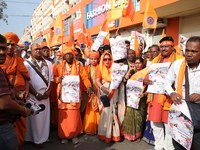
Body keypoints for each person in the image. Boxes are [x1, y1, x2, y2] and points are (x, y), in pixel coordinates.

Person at [144, 36, 184, 150]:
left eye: (166, 46)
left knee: (169, 124)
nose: (164, 49)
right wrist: (145, 80)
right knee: (155, 123)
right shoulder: (155, 60)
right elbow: (147, 75)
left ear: (172, 46)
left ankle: (168, 148)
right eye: (161, 47)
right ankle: (158, 146)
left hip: (171, 98)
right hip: (155, 96)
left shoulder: (180, 60)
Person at [164, 36, 200, 150]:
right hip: (181, 110)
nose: (189, 54)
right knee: (179, 146)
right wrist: (172, 93)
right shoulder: (177, 64)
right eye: (187, 50)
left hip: (198, 111)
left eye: (194, 51)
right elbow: (166, 83)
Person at [0, 34, 32, 150]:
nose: (9, 47)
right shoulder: (2, 61)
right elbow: (5, 103)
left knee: (21, 124)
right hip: (8, 98)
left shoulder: (19, 60)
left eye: (11, 45)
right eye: (7, 45)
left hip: (20, 96)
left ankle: (20, 145)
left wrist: (26, 91)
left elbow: (26, 77)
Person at [54, 47, 91, 144]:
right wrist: (58, 79)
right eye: (66, 54)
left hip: (74, 95)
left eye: (70, 54)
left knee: (74, 115)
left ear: (73, 55)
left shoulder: (79, 65)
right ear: (63, 56)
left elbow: (84, 77)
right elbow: (54, 78)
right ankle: (64, 135)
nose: (68, 56)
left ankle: (74, 135)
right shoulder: (59, 66)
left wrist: (88, 85)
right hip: (63, 96)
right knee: (63, 116)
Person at [24, 43, 54, 148]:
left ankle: (44, 137)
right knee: (35, 118)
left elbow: (51, 79)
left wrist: (49, 92)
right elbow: (26, 81)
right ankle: (36, 140)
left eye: (40, 49)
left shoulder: (49, 63)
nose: (38, 51)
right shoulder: (26, 64)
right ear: (31, 52)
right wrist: (36, 93)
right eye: (36, 49)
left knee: (45, 117)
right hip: (33, 96)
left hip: (45, 95)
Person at [96, 52, 122, 143]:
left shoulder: (115, 67)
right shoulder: (99, 68)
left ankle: (113, 134)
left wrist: (121, 67)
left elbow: (120, 76)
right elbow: (97, 80)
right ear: (102, 60)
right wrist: (102, 87)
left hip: (113, 91)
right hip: (103, 91)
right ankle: (104, 133)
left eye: (109, 59)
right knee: (105, 111)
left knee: (113, 111)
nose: (107, 61)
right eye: (105, 59)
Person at [122, 57, 147, 142]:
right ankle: (129, 134)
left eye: (139, 63)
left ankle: (138, 136)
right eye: (136, 63)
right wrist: (129, 71)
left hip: (140, 99)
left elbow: (150, 87)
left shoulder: (145, 73)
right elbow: (125, 80)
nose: (137, 65)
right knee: (129, 116)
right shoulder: (132, 72)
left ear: (142, 64)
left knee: (139, 118)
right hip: (131, 98)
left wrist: (144, 94)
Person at [83, 51, 100, 134]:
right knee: (89, 109)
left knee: (97, 108)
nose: (93, 61)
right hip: (88, 91)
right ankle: (89, 127)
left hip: (97, 91)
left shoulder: (100, 68)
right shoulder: (85, 68)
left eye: (95, 59)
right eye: (92, 59)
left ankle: (98, 127)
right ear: (89, 59)